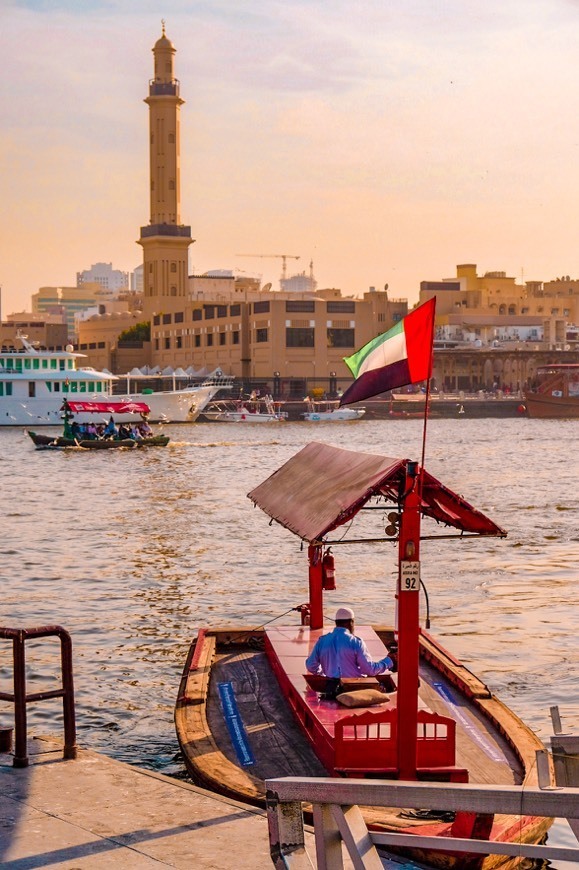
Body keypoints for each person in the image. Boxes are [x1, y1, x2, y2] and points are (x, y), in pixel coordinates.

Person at [305, 607, 393, 679]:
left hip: (330, 688)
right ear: (351, 622)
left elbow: (310, 666)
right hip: (352, 689)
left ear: (336, 623)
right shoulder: (356, 642)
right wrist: (388, 661)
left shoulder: (322, 641)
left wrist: (323, 673)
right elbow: (369, 670)